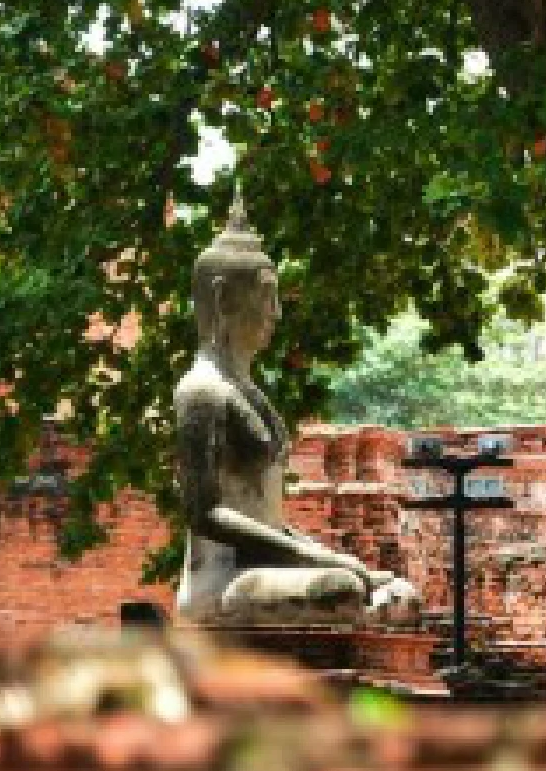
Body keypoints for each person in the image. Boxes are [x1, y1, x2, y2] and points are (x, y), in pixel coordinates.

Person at [174, 189, 419, 626]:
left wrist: (319, 552)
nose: (276, 312)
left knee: (398, 593)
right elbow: (204, 513)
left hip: (262, 569)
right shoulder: (202, 390)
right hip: (222, 580)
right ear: (220, 297)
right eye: (266, 296)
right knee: (341, 589)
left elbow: (267, 520)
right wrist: (312, 557)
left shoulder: (248, 390)